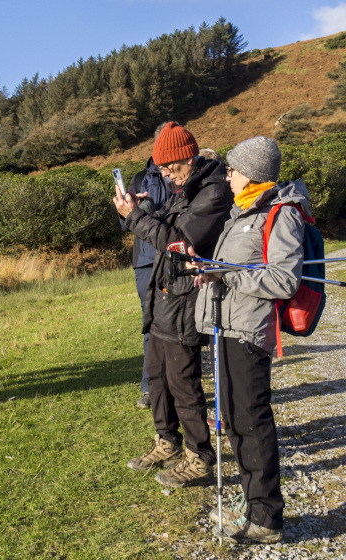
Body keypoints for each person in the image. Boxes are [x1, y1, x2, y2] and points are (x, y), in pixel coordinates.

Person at [194, 136, 306, 544]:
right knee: (235, 420)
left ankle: (266, 519)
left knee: (251, 421)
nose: (228, 175)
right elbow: (236, 266)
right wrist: (209, 268)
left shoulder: (281, 214)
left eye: (233, 170)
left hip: (249, 330)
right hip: (226, 326)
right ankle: (252, 502)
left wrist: (224, 274)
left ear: (253, 175)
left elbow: (283, 278)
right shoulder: (244, 211)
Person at [113, 122, 233, 488]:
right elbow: (167, 220)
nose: (165, 174)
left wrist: (134, 218)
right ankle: (167, 442)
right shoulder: (187, 187)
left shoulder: (213, 192)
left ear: (187, 157)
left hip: (187, 297)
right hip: (165, 295)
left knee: (183, 380)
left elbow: (181, 241)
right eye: (162, 169)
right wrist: (141, 208)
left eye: (169, 168)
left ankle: (200, 458)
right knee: (158, 376)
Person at [120, 123, 174, 410]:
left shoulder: (185, 173)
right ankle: (150, 388)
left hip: (177, 256)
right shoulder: (141, 177)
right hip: (146, 260)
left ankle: (179, 382)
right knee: (152, 322)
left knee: (179, 321)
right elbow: (125, 223)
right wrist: (132, 210)